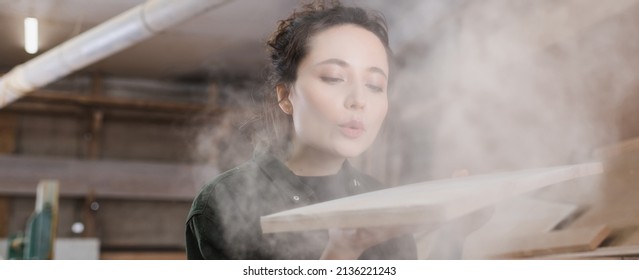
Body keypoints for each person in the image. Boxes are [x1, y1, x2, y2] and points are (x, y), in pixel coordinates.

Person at [185, 0, 417, 260]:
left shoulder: (384, 202)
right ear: (286, 96)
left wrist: (454, 236)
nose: (358, 100)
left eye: (375, 84)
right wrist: (341, 253)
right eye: (333, 77)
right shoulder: (222, 203)